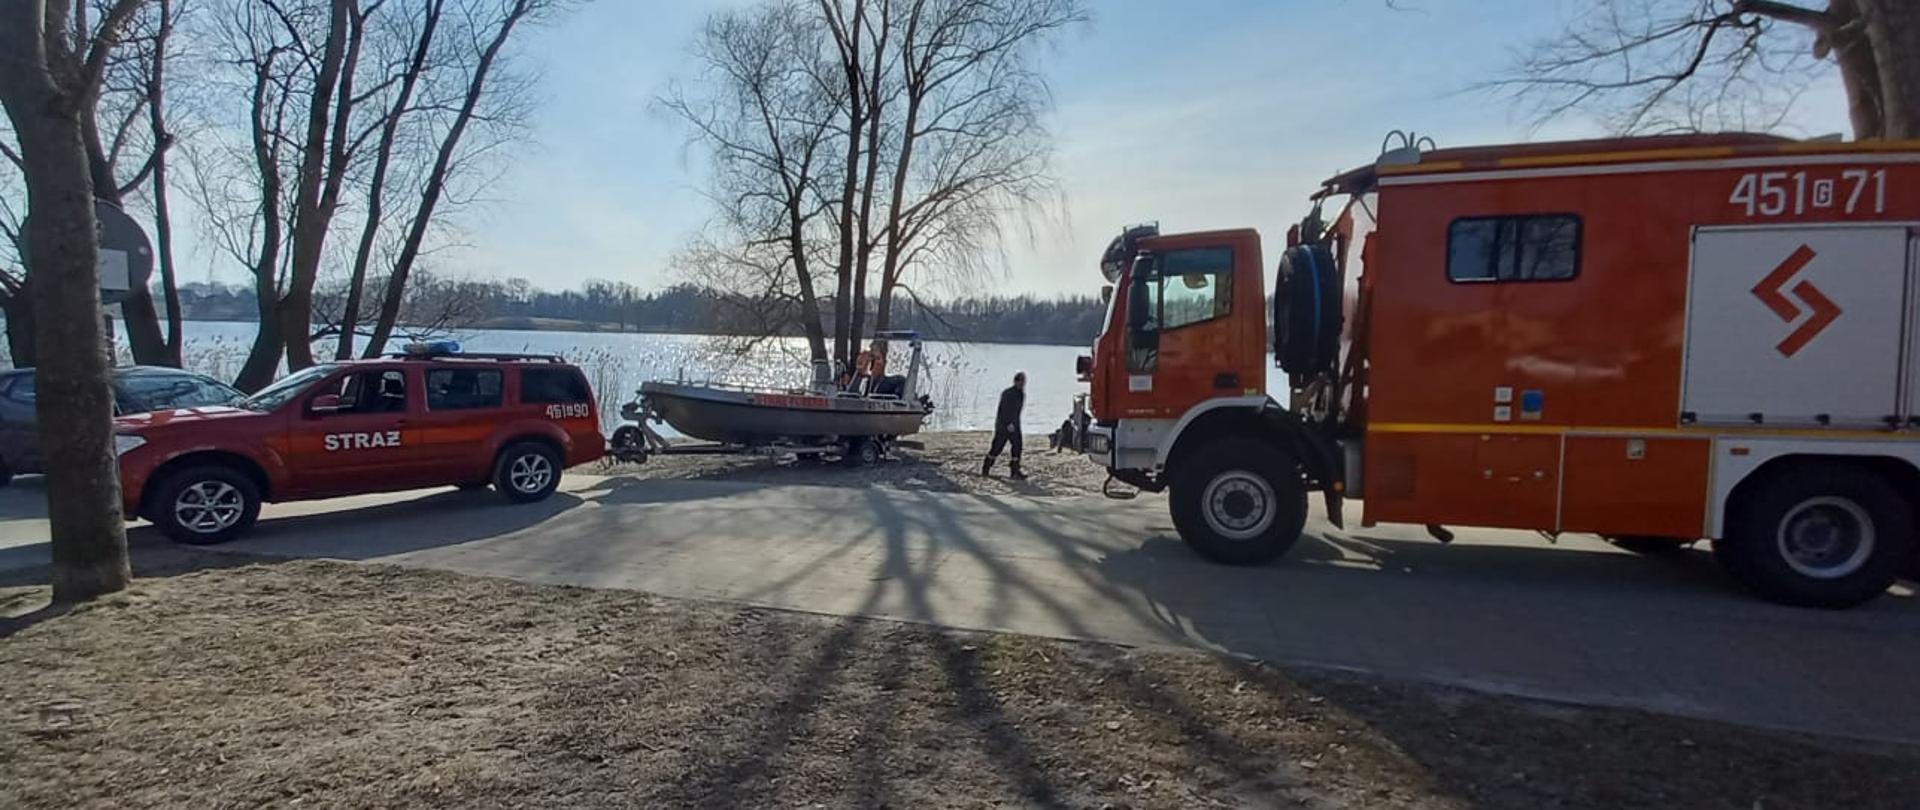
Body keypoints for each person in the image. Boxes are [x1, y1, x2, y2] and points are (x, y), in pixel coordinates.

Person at [982, 371, 1026, 479]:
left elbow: (1017, 411)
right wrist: (1008, 424)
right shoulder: (1008, 393)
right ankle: (986, 467)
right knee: (997, 447)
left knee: (1018, 446)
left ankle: (1015, 470)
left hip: (1015, 425)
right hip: (1003, 425)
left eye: (1023, 382)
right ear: (1015, 381)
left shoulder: (1021, 394)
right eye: (1020, 381)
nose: (1022, 384)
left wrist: (1015, 424)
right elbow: (1004, 410)